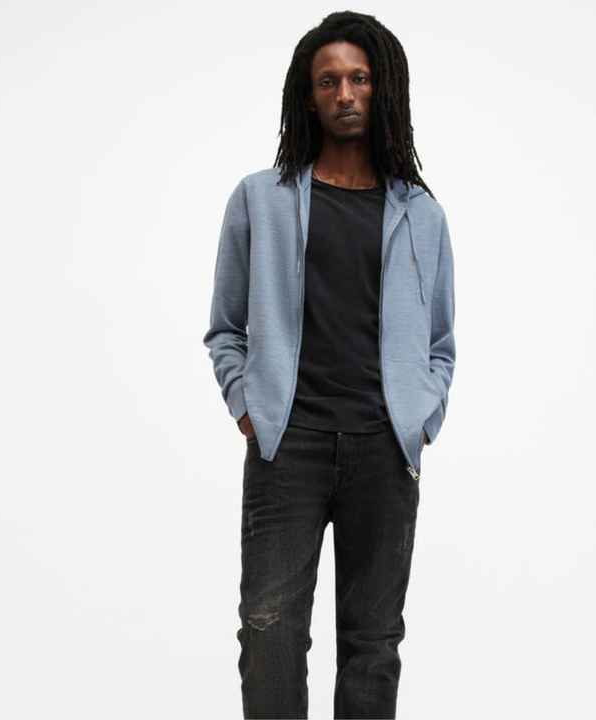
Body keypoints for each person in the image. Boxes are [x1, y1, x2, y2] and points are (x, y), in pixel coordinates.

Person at [203, 10, 456, 719]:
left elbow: (440, 343)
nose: (345, 93)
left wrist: (421, 418)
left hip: (385, 451)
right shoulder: (259, 200)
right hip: (289, 448)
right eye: (328, 81)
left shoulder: (422, 215)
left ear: (383, 89)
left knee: (373, 642)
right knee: (269, 633)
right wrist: (249, 407)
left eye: (360, 79)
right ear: (308, 97)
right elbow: (225, 328)